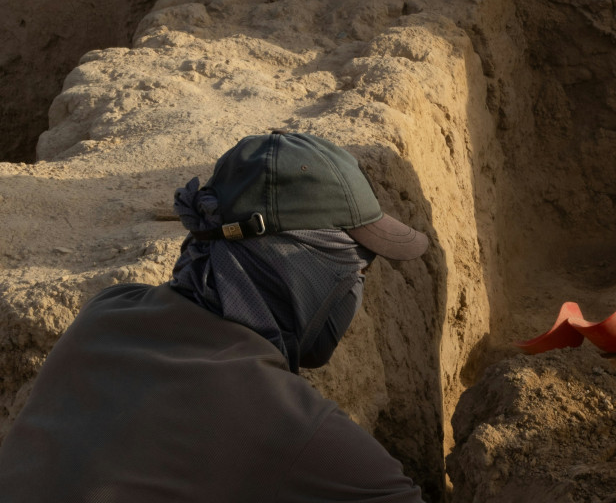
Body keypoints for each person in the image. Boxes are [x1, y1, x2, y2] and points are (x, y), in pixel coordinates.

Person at [0, 132, 430, 502]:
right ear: (300, 266)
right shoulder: (292, 427)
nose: (358, 286)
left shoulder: (108, 311)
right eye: (357, 268)